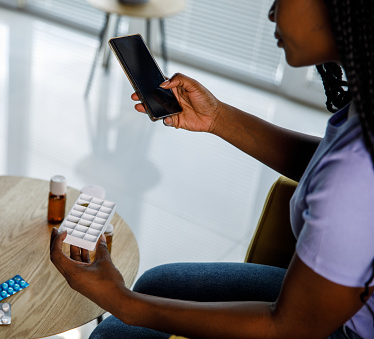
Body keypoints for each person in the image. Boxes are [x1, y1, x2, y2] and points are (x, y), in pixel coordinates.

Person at [50, 0, 374, 337]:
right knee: (154, 283)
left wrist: (123, 303)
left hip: (340, 328)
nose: (271, 13)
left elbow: (290, 327)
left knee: (112, 334)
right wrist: (216, 117)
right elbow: (324, 166)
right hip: (340, 304)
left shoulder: (355, 170)